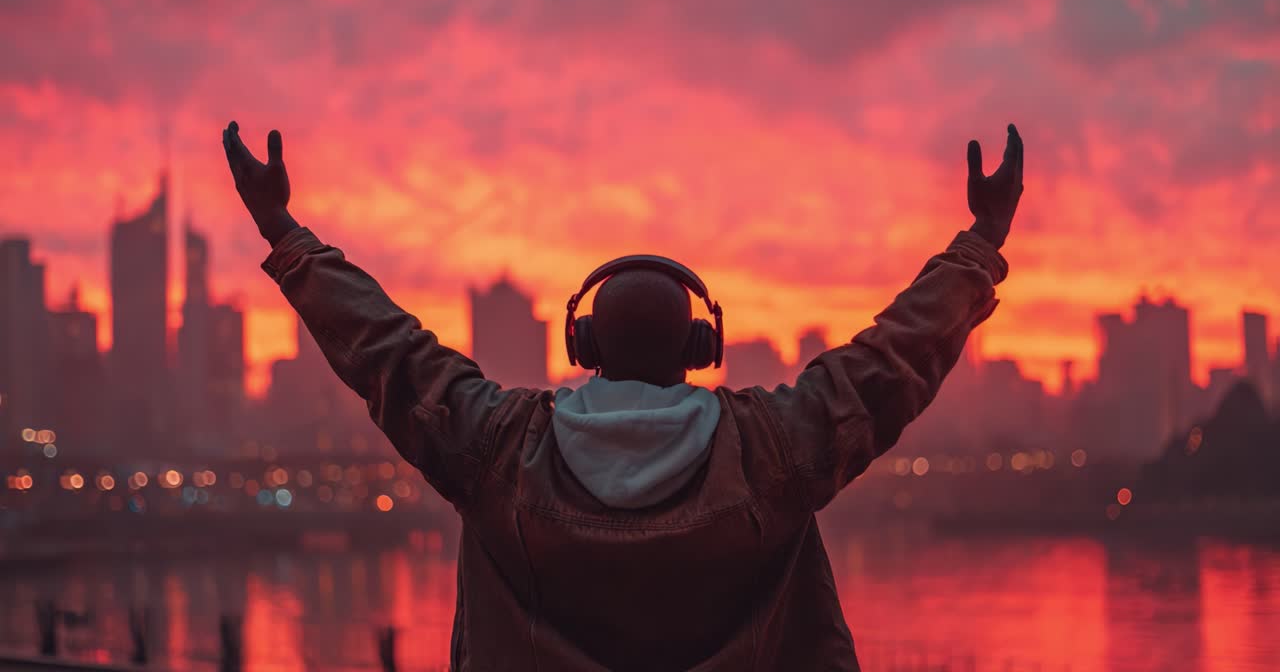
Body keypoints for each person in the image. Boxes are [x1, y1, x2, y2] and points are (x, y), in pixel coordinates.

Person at [221, 120, 1023, 671]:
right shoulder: (773, 450)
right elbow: (891, 362)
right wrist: (980, 244)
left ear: (585, 346)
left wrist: (286, 235)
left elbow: (385, 350)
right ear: (701, 348)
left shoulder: (497, 449)